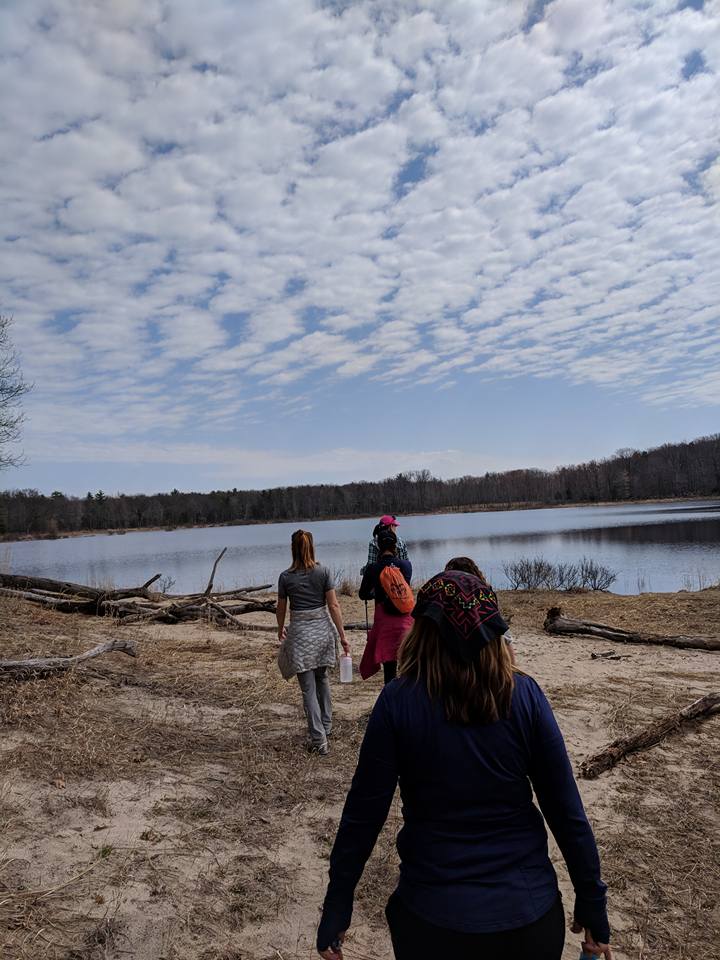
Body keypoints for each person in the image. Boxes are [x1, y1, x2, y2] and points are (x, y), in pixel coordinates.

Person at [316, 569, 612, 960]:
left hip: (431, 924)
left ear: (420, 631)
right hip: (528, 921)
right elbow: (565, 810)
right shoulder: (525, 696)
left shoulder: (397, 702)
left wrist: (338, 902)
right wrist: (591, 897)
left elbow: (363, 816)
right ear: (493, 631)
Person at [276, 529, 350, 756]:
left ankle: (319, 739)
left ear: (292, 548)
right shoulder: (323, 572)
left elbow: (281, 607)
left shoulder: (286, 577)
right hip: (322, 633)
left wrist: (280, 629)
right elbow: (334, 606)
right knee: (323, 679)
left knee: (308, 689)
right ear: (311, 546)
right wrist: (342, 635)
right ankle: (326, 727)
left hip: (300, 635)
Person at [358, 530, 413, 684]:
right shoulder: (406, 565)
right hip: (406, 621)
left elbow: (363, 594)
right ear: (395, 545)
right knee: (408, 667)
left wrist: (375, 593)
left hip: (385, 623)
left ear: (378, 547)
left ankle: (391, 702)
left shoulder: (373, 569)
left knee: (390, 671)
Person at [444, 556, 516, 663]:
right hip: (490, 642)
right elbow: (500, 628)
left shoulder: (447, 594)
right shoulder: (486, 591)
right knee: (504, 635)